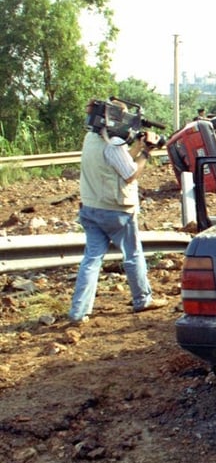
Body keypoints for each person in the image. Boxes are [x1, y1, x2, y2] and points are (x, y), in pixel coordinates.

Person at [68, 100, 168, 325]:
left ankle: (78, 311)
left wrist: (137, 147)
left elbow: (118, 160)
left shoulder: (92, 139)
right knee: (132, 255)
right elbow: (130, 173)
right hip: (116, 210)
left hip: (91, 207)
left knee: (91, 260)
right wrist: (146, 153)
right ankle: (142, 299)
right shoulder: (113, 144)